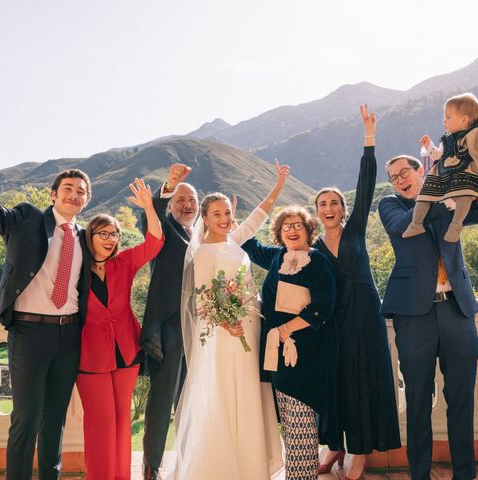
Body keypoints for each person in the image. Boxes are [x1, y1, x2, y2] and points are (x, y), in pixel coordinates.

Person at [0, 128, 92, 480]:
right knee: (26, 417)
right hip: (29, 333)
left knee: (55, 420)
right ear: (54, 194)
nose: (74, 195)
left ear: (86, 200)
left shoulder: (86, 237)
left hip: (70, 336)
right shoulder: (25, 220)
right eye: (68, 189)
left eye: (81, 191)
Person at [379, 149, 478, 480]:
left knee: (461, 399)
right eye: (394, 178)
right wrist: (440, 198)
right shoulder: (390, 206)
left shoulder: (445, 199)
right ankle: (419, 475)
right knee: (417, 400)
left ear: (420, 171)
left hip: (457, 310)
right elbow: (404, 226)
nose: (400, 181)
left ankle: (465, 474)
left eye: (405, 173)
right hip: (414, 317)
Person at [172, 162, 289, 480]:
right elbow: (202, 300)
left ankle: (252, 465)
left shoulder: (233, 241)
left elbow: (258, 216)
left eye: (227, 213)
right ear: (205, 219)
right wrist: (225, 323)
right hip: (226, 334)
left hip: (250, 329)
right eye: (217, 214)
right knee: (229, 394)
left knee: (250, 392)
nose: (225, 219)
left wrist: (278, 185)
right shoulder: (203, 254)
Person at [315, 105, 401, 479]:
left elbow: (366, 183)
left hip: (365, 315)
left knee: (365, 379)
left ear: (344, 209)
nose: (330, 208)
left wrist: (369, 140)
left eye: (335, 203)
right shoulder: (313, 246)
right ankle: (336, 446)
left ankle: (361, 452)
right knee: (337, 383)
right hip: (334, 320)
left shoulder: (355, 231)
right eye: (323, 204)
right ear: (317, 212)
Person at [76, 178, 164, 480]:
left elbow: (154, 242)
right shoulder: (75, 267)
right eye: (104, 233)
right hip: (89, 357)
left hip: (127, 352)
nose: (111, 239)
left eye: (115, 234)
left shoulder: (124, 262)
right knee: (99, 422)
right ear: (90, 236)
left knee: (120, 420)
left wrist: (149, 207)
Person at [242, 205, 336, 480]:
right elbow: (246, 241)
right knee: (288, 420)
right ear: (279, 233)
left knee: (301, 418)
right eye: (286, 226)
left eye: (298, 226)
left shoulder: (318, 262)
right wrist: (248, 212)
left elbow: (324, 306)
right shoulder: (276, 257)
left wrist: (285, 329)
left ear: (309, 231)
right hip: (278, 352)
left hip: (307, 352)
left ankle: (301, 477)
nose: (292, 231)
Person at [139, 164, 197, 480]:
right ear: (173, 205)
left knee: (193, 398)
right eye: (181, 200)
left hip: (201, 328)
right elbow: (151, 216)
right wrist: (171, 185)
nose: (187, 205)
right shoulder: (164, 230)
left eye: (192, 201)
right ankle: (152, 466)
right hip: (170, 328)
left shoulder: (201, 235)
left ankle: (190, 460)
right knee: (162, 400)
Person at [403, 92, 478, 242]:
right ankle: (416, 224)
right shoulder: (447, 140)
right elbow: (438, 155)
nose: (444, 121)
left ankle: (455, 226)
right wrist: (429, 146)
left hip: (468, 175)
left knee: (466, 195)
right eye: (444, 117)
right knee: (425, 195)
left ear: (464, 119)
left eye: (448, 117)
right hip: (444, 174)